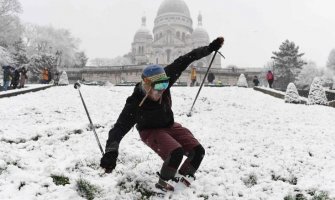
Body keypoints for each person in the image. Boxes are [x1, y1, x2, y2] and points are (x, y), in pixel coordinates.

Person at [100, 37, 224, 191]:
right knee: (176, 152)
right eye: (158, 87)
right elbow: (118, 128)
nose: (162, 90)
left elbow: (185, 59)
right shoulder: (135, 103)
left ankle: (182, 180)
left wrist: (209, 48)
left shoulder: (164, 81)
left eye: (165, 85)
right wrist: (111, 152)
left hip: (169, 125)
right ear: (146, 85)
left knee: (198, 151)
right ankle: (163, 185)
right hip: (150, 131)